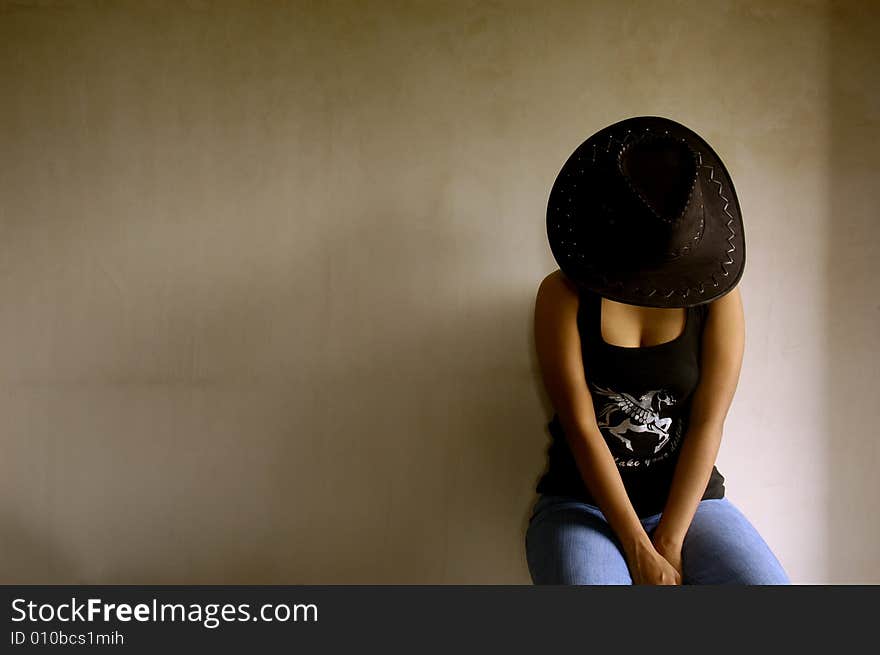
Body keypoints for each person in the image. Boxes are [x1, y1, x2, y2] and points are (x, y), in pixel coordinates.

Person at [526, 116, 790, 585]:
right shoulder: (562, 295)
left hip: (691, 507)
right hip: (584, 504)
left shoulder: (718, 300)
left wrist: (668, 541)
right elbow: (583, 427)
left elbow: (709, 422)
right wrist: (638, 549)